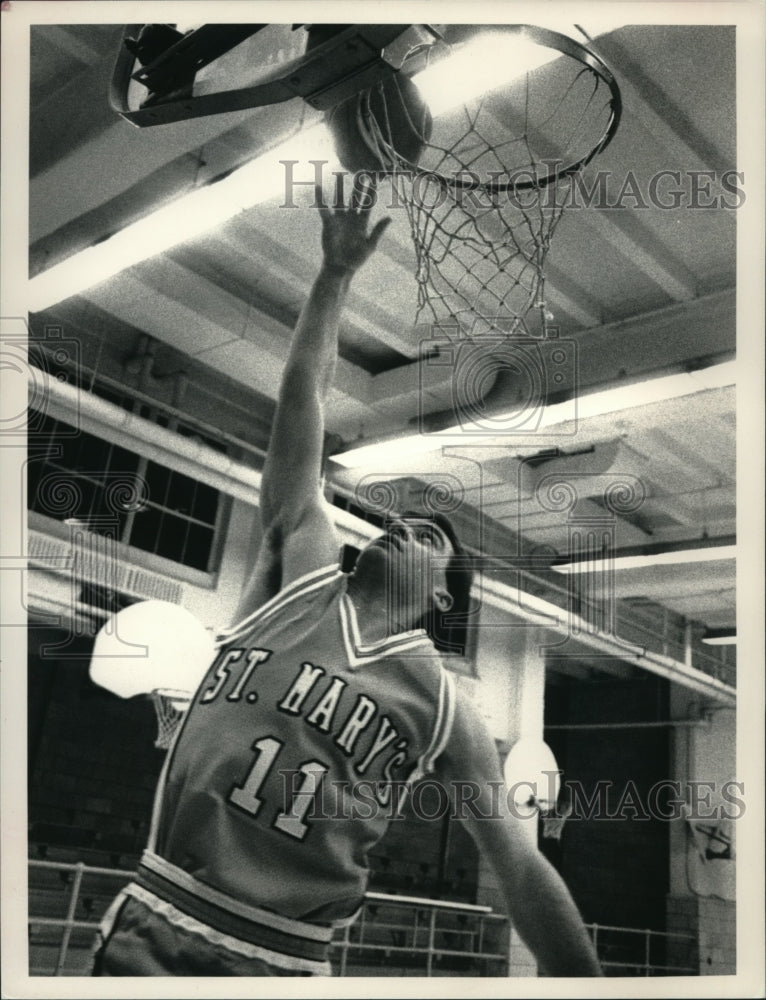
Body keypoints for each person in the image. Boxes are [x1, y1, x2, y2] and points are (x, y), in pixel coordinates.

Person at [92, 182, 602, 978]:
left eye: (429, 536)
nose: (402, 524)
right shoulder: (301, 575)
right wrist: (333, 279)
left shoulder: (444, 708)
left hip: (280, 957)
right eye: (400, 519)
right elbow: (301, 410)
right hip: (157, 911)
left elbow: (518, 864)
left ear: (443, 596)